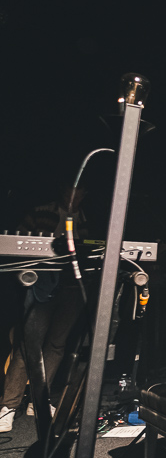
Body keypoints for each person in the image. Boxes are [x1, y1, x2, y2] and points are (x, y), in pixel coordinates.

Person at [1, 184, 87, 433]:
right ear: (64, 192)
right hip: (40, 284)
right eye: (73, 190)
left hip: (69, 288)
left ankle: (39, 401)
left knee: (57, 345)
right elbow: (17, 241)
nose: (76, 195)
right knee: (28, 345)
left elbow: (85, 251)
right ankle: (8, 406)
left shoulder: (83, 219)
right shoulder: (42, 211)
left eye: (81, 192)